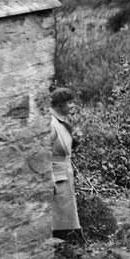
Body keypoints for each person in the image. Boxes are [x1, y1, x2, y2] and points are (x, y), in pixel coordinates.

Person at [50, 87, 82, 241]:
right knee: (60, 215)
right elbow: (44, 153)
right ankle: (65, 248)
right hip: (56, 174)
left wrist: (74, 141)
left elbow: (61, 147)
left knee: (66, 213)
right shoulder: (51, 124)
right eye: (69, 102)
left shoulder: (60, 121)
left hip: (63, 171)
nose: (72, 105)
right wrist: (49, 176)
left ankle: (70, 247)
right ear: (58, 105)